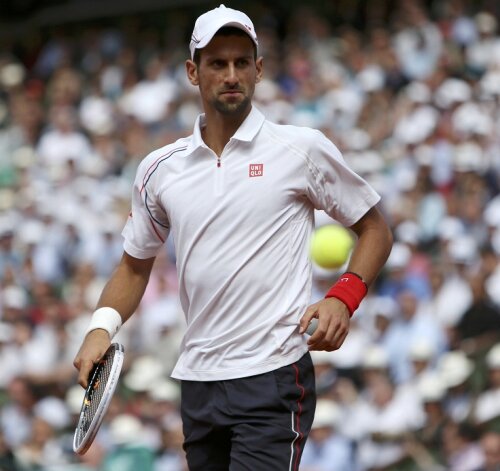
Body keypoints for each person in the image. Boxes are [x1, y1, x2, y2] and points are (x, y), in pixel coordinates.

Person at [73, 4, 393, 470]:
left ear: (259, 70)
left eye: (242, 62)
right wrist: (100, 328)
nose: (231, 74)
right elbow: (133, 265)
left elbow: (375, 228)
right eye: (217, 63)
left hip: (274, 376)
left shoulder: (300, 149)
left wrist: (343, 297)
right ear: (192, 72)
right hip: (198, 381)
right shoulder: (161, 169)